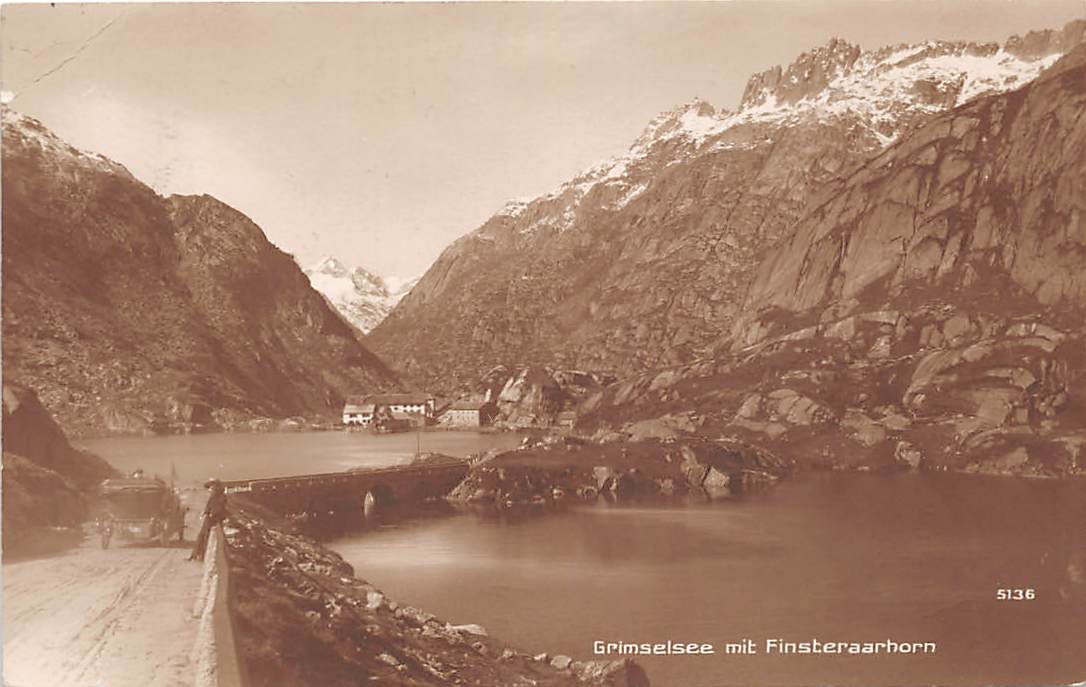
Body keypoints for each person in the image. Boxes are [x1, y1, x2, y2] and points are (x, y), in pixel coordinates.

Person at [188, 478, 228, 561]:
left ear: (217, 487)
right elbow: (208, 506)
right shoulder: (213, 497)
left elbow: (220, 508)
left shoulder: (222, 497)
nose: (211, 489)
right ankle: (197, 555)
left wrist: (213, 513)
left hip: (216, 520)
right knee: (202, 536)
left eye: (213, 487)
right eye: (210, 487)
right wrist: (205, 512)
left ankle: (205, 555)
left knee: (211, 538)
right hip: (209, 519)